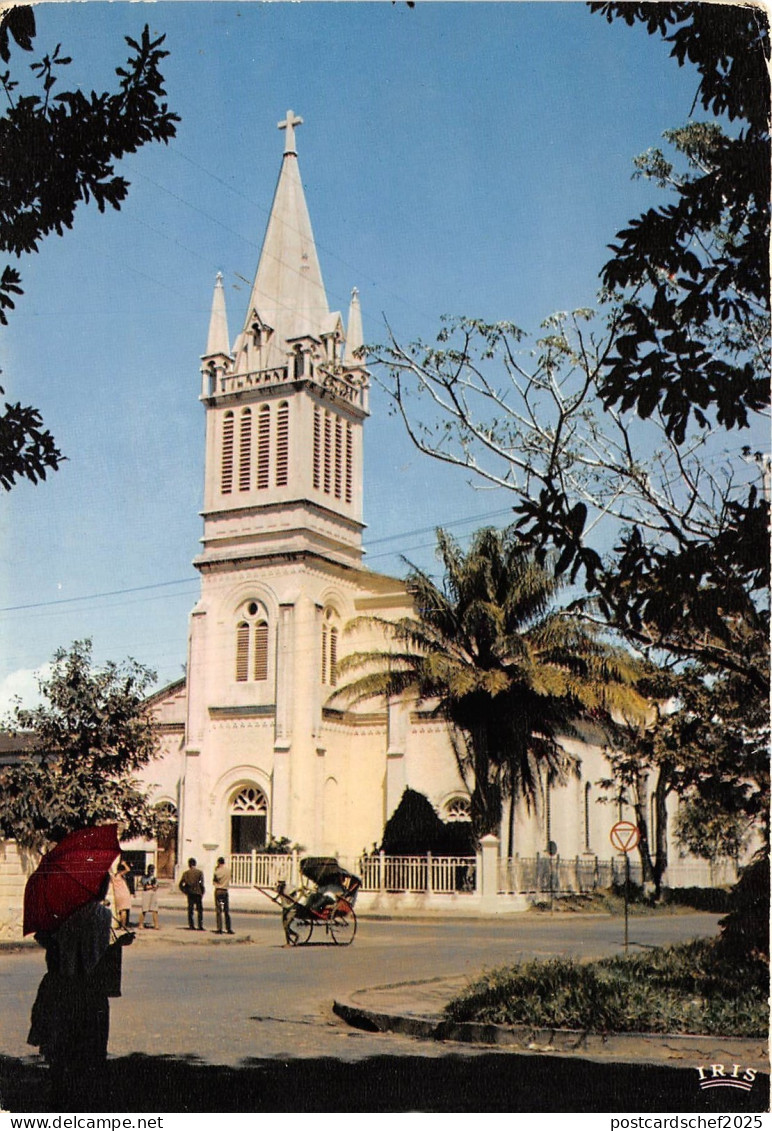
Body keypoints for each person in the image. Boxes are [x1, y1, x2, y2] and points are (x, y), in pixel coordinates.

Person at [27, 876, 133, 1106]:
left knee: (61, 1047)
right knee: (91, 1048)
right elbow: (96, 953)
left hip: (62, 987)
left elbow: (49, 943)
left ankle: (59, 1097)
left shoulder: (62, 914)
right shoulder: (103, 916)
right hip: (92, 990)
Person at [178, 857, 205, 930]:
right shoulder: (199, 873)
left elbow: (181, 884)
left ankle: (191, 925)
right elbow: (201, 883)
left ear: (189, 865)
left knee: (190, 910)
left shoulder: (186, 873)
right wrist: (202, 892)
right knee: (199, 910)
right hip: (198, 893)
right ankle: (200, 925)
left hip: (190, 893)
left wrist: (185, 891)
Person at [212, 857, 234, 935]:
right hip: (225, 890)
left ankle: (219, 928)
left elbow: (214, 881)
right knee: (226, 910)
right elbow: (230, 877)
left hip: (218, 890)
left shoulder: (217, 872)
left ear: (218, 863)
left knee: (218, 911)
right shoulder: (228, 870)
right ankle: (228, 928)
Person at [111, 860, 132, 929]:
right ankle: (123, 926)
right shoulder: (120, 875)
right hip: (124, 894)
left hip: (117, 894)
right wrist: (125, 864)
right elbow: (128, 869)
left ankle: (120, 925)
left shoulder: (113, 876)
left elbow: (109, 871)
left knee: (120, 910)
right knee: (124, 911)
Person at [140, 863, 159, 929]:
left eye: (152, 870)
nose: (151, 871)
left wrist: (154, 887)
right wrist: (152, 886)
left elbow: (156, 886)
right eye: (151, 870)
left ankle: (156, 925)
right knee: (144, 909)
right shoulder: (144, 877)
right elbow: (145, 886)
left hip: (153, 893)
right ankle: (140, 924)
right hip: (146, 893)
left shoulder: (155, 878)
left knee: (155, 909)